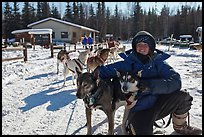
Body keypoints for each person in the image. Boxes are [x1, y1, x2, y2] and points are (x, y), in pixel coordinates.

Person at [99, 30, 202, 135]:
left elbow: (176, 81)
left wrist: (150, 86)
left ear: (151, 48)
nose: (142, 47)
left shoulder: (158, 63)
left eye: (145, 45)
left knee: (183, 97)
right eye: (139, 45)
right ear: (135, 47)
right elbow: (101, 72)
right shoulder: (127, 64)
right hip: (138, 110)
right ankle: (132, 126)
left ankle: (180, 127)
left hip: (158, 105)